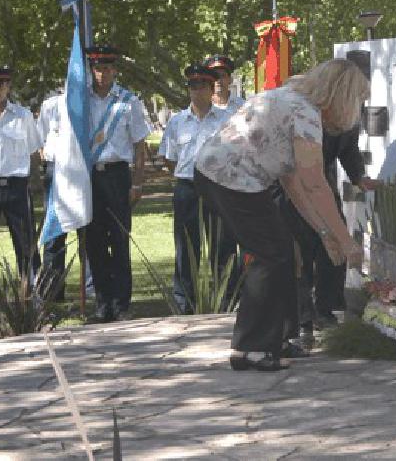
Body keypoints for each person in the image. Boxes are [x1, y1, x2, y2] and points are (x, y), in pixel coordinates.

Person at [193, 58, 369, 371]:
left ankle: (278, 339)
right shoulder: (306, 115)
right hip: (231, 179)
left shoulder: (289, 99)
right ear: (341, 95)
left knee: (283, 253)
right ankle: (251, 349)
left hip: (222, 175)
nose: (356, 110)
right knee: (272, 256)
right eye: (357, 100)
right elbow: (316, 185)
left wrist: (325, 234)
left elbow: (293, 182)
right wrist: (347, 242)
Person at [275, 118, 379, 347]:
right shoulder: (307, 113)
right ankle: (303, 319)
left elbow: (348, 149)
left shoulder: (348, 117)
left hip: (324, 185)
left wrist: (359, 177)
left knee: (335, 249)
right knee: (300, 256)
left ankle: (325, 310)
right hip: (293, 187)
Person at [81, 45, 152, 322]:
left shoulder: (128, 101)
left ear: (115, 70)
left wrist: (137, 183)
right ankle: (103, 303)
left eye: (108, 67)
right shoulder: (80, 100)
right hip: (90, 177)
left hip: (117, 175)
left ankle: (122, 304)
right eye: (98, 68)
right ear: (91, 70)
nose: (103, 73)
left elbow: (139, 146)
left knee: (119, 240)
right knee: (94, 242)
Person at [159, 63, 237, 314]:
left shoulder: (227, 120)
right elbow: (169, 158)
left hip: (217, 187)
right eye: (192, 86)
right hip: (187, 188)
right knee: (186, 246)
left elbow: (236, 154)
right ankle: (185, 303)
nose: (197, 91)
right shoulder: (177, 122)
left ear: (211, 88)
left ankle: (227, 299)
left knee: (222, 245)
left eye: (202, 85)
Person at [36, 89, 95, 301]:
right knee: (54, 235)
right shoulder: (50, 105)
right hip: (56, 171)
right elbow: (39, 140)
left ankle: (89, 288)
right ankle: (52, 292)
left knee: (87, 235)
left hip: (82, 170)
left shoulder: (89, 105)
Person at [0, 67, 44, 281]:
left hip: (17, 187)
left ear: (8, 87)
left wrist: (35, 182)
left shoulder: (22, 116)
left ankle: (33, 298)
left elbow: (34, 152)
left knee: (26, 243)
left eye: (1, 85)